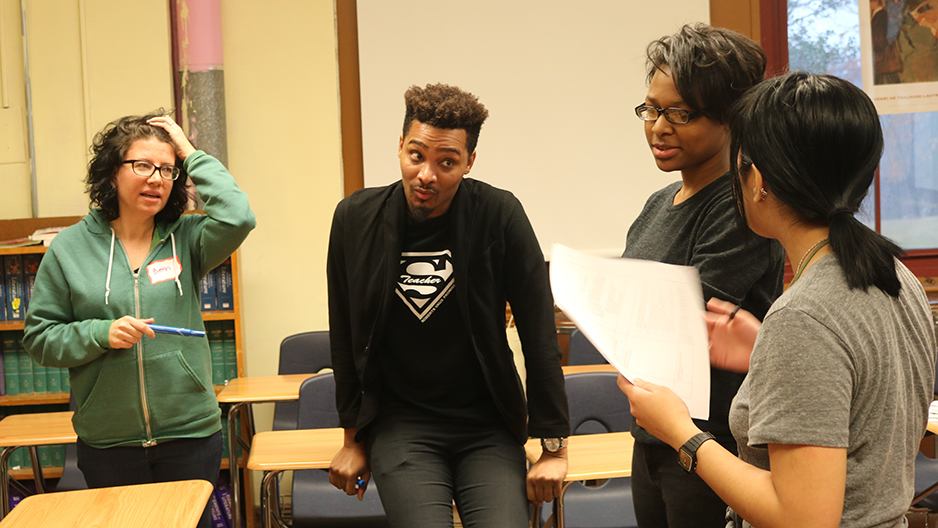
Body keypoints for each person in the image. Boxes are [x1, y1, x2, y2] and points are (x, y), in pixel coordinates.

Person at [621, 71, 937, 528]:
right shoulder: (894, 274)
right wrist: (764, 355)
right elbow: (858, 393)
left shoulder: (805, 316)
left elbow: (803, 517)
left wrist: (681, 434)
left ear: (760, 180)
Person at [327, 83, 570, 527]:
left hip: (488, 425)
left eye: (447, 162)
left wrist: (554, 448)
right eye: (416, 156)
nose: (427, 175)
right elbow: (345, 338)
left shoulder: (500, 214)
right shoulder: (354, 219)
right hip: (401, 426)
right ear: (400, 146)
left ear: (469, 162)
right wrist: (352, 438)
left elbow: (539, 336)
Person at [23, 112, 255, 528]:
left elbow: (239, 217)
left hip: (190, 434)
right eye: (143, 165)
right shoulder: (69, 248)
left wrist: (189, 151)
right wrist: (100, 333)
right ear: (112, 173)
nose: (157, 179)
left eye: (167, 170)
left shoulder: (187, 239)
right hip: (110, 443)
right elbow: (40, 337)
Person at [624, 23, 785, 528]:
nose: (659, 126)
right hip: (652, 437)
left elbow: (687, 324)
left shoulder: (741, 205)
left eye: (682, 114)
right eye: (651, 109)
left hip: (710, 445)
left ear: (730, 118)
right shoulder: (656, 205)